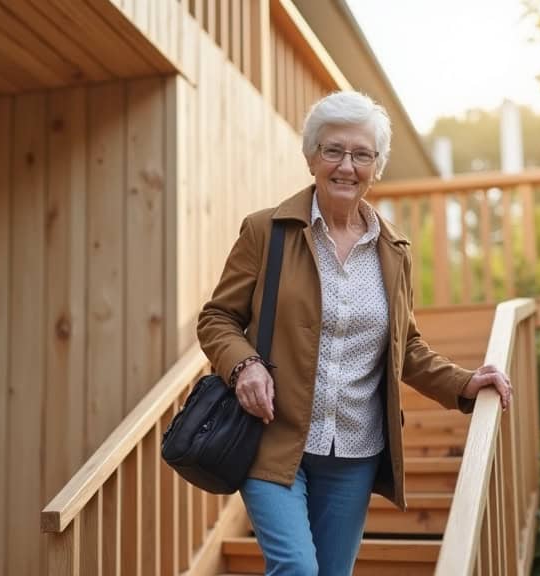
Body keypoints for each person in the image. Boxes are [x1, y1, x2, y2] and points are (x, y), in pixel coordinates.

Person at [196, 91, 513, 575]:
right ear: (311, 158)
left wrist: (464, 383)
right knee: (298, 570)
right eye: (333, 150)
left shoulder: (394, 251)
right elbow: (217, 317)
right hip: (272, 439)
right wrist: (245, 365)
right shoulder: (266, 232)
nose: (347, 165)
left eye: (362, 154)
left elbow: (405, 346)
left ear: (377, 166)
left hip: (355, 453)